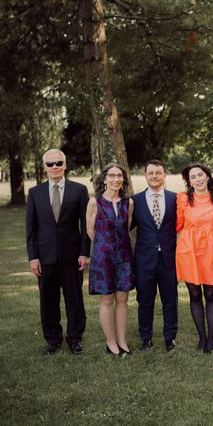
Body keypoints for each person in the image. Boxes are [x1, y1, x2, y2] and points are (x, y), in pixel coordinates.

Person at [26, 149, 90, 355]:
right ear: (45, 167)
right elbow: (31, 229)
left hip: (72, 257)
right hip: (45, 257)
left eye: (59, 163)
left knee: (74, 299)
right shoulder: (35, 193)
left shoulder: (79, 191)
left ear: (65, 164)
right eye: (51, 164)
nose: (55, 167)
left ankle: (75, 339)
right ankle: (53, 339)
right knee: (48, 299)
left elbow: (86, 226)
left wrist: (84, 253)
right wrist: (33, 257)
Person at [86, 163, 135, 355]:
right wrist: (103, 246)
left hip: (124, 256)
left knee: (123, 298)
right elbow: (90, 230)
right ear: (104, 179)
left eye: (120, 176)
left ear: (123, 179)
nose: (116, 179)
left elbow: (126, 227)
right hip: (103, 256)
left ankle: (122, 341)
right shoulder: (94, 202)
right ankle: (111, 342)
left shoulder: (128, 203)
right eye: (112, 175)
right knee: (107, 299)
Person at [131, 159, 178, 352]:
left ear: (164, 174)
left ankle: (170, 338)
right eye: (151, 173)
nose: (154, 176)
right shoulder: (136, 201)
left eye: (158, 172)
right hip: (144, 259)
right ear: (145, 175)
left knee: (170, 300)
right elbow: (125, 227)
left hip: (168, 258)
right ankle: (146, 338)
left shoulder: (176, 199)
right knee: (145, 300)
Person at [176, 163, 213, 353]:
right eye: (193, 177)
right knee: (194, 295)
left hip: (210, 250)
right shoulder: (182, 199)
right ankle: (201, 338)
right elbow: (177, 224)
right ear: (189, 182)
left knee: (210, 294)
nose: (197, 179)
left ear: (207, 176)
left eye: (200, 175)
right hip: (188, 251)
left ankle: (211, 338)